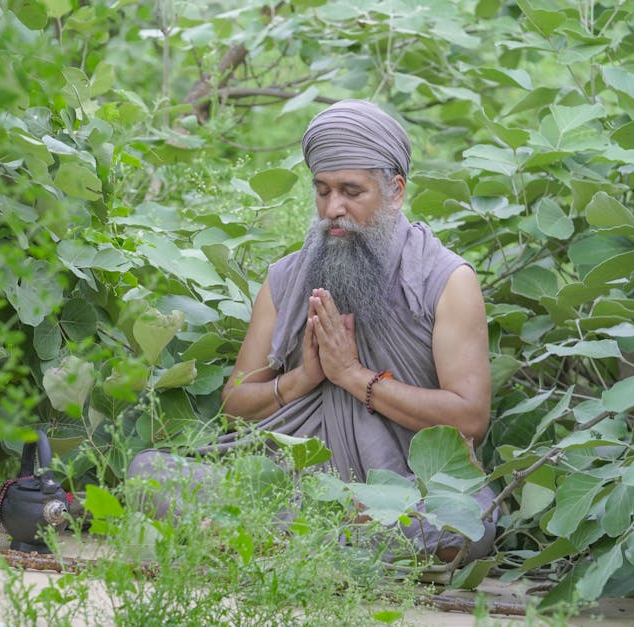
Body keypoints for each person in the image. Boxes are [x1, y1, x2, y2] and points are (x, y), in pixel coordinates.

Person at [128, 99, 497, 562]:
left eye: (351, 191)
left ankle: (276, 541)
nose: (332, 208)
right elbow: (234, 405)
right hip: (293, 484)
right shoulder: (287, 277)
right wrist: (303, 379)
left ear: (396, 190)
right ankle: (317, 540)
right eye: (322, 190)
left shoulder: (446, 280)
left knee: (465, 526)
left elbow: (469, 419)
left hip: (406, 493)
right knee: (148, 472)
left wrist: (353, 376)